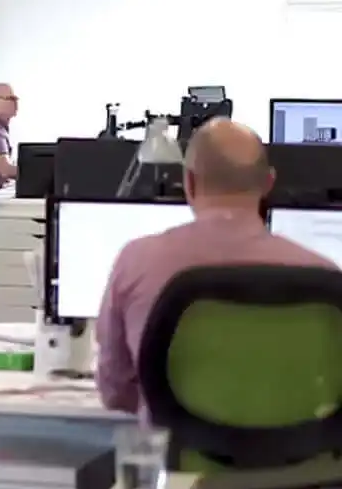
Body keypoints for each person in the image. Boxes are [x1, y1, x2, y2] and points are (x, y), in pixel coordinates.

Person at [95, 118, 334, 419]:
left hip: (175, 449)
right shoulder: (323, 277)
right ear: (268, 183)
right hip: (295, 449)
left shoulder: (137, 261)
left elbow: (115, 392)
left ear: (189, 182)